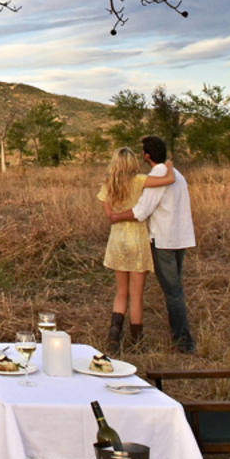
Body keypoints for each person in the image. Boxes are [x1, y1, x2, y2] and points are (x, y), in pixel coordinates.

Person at [107, 136, 197, 354]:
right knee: (173, 289)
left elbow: (141, 211)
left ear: (146, 156)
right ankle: (152, 339)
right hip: (180, 238)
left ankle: (183, 341)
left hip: (162, 239)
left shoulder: (156, 176)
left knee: (171, 291)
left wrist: (117, 217)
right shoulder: (175, 174)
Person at [97, 147, 175, 354]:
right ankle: (136, 341)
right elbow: (168, 180)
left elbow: (109, 214)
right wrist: (168, 164)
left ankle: (114, 340)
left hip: (117, 240)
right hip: (137, 239)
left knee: (121, 292)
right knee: (136, 295)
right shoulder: (139, 181)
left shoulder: (108, 185)